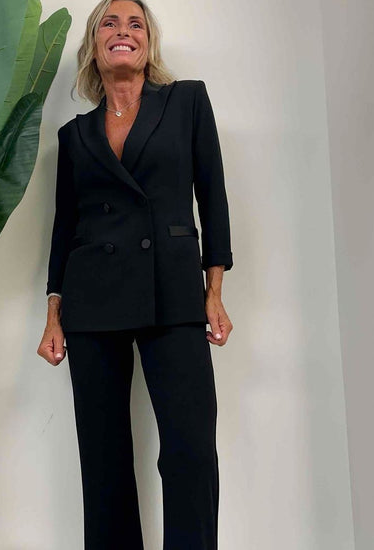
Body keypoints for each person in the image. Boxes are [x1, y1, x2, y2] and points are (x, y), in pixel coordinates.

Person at [37, 0, 233, 547]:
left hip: (173, 290)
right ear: (93, 47)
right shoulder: (75, 135)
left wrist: (214, 290)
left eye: (135, 24)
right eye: (109, 23)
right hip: (92, 300)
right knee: (103, 461)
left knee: (191, 452)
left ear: (148, 43)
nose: (122, 31)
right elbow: (65, 228)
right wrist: (54, 312)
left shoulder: (186, 101)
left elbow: (213, 197)